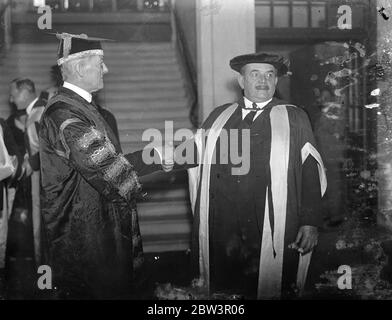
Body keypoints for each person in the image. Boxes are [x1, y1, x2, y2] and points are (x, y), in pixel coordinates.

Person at [179, 53, 327, 299]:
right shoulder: (219, 116)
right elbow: (188, 153)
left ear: (276, 81)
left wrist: (310, 221)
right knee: (224, 288)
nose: (263, 80)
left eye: (270, 75)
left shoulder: (294, 117)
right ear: (241, 81)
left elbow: (310, 168)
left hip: (271, 222)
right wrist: (140, 161)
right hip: (223, 225)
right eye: (254, 74)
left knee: (270, 287)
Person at [38, 32, 172, 299]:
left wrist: (154, 156)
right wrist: (154, 156)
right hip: (82, 231)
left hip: (96, 224)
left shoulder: (82, 107)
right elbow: (106, 169)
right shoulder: (64, 113)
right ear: (78, 67)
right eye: (100, 63)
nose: (106, 69)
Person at [9, 78, 46, 266]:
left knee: (41, 230)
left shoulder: (37, 114)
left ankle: (46, 279)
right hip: (42, 181)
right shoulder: (41, 109)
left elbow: (43, 152)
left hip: (42, 183)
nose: (11, 99)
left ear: (25, 92)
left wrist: (26, 165)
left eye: (14, 95)